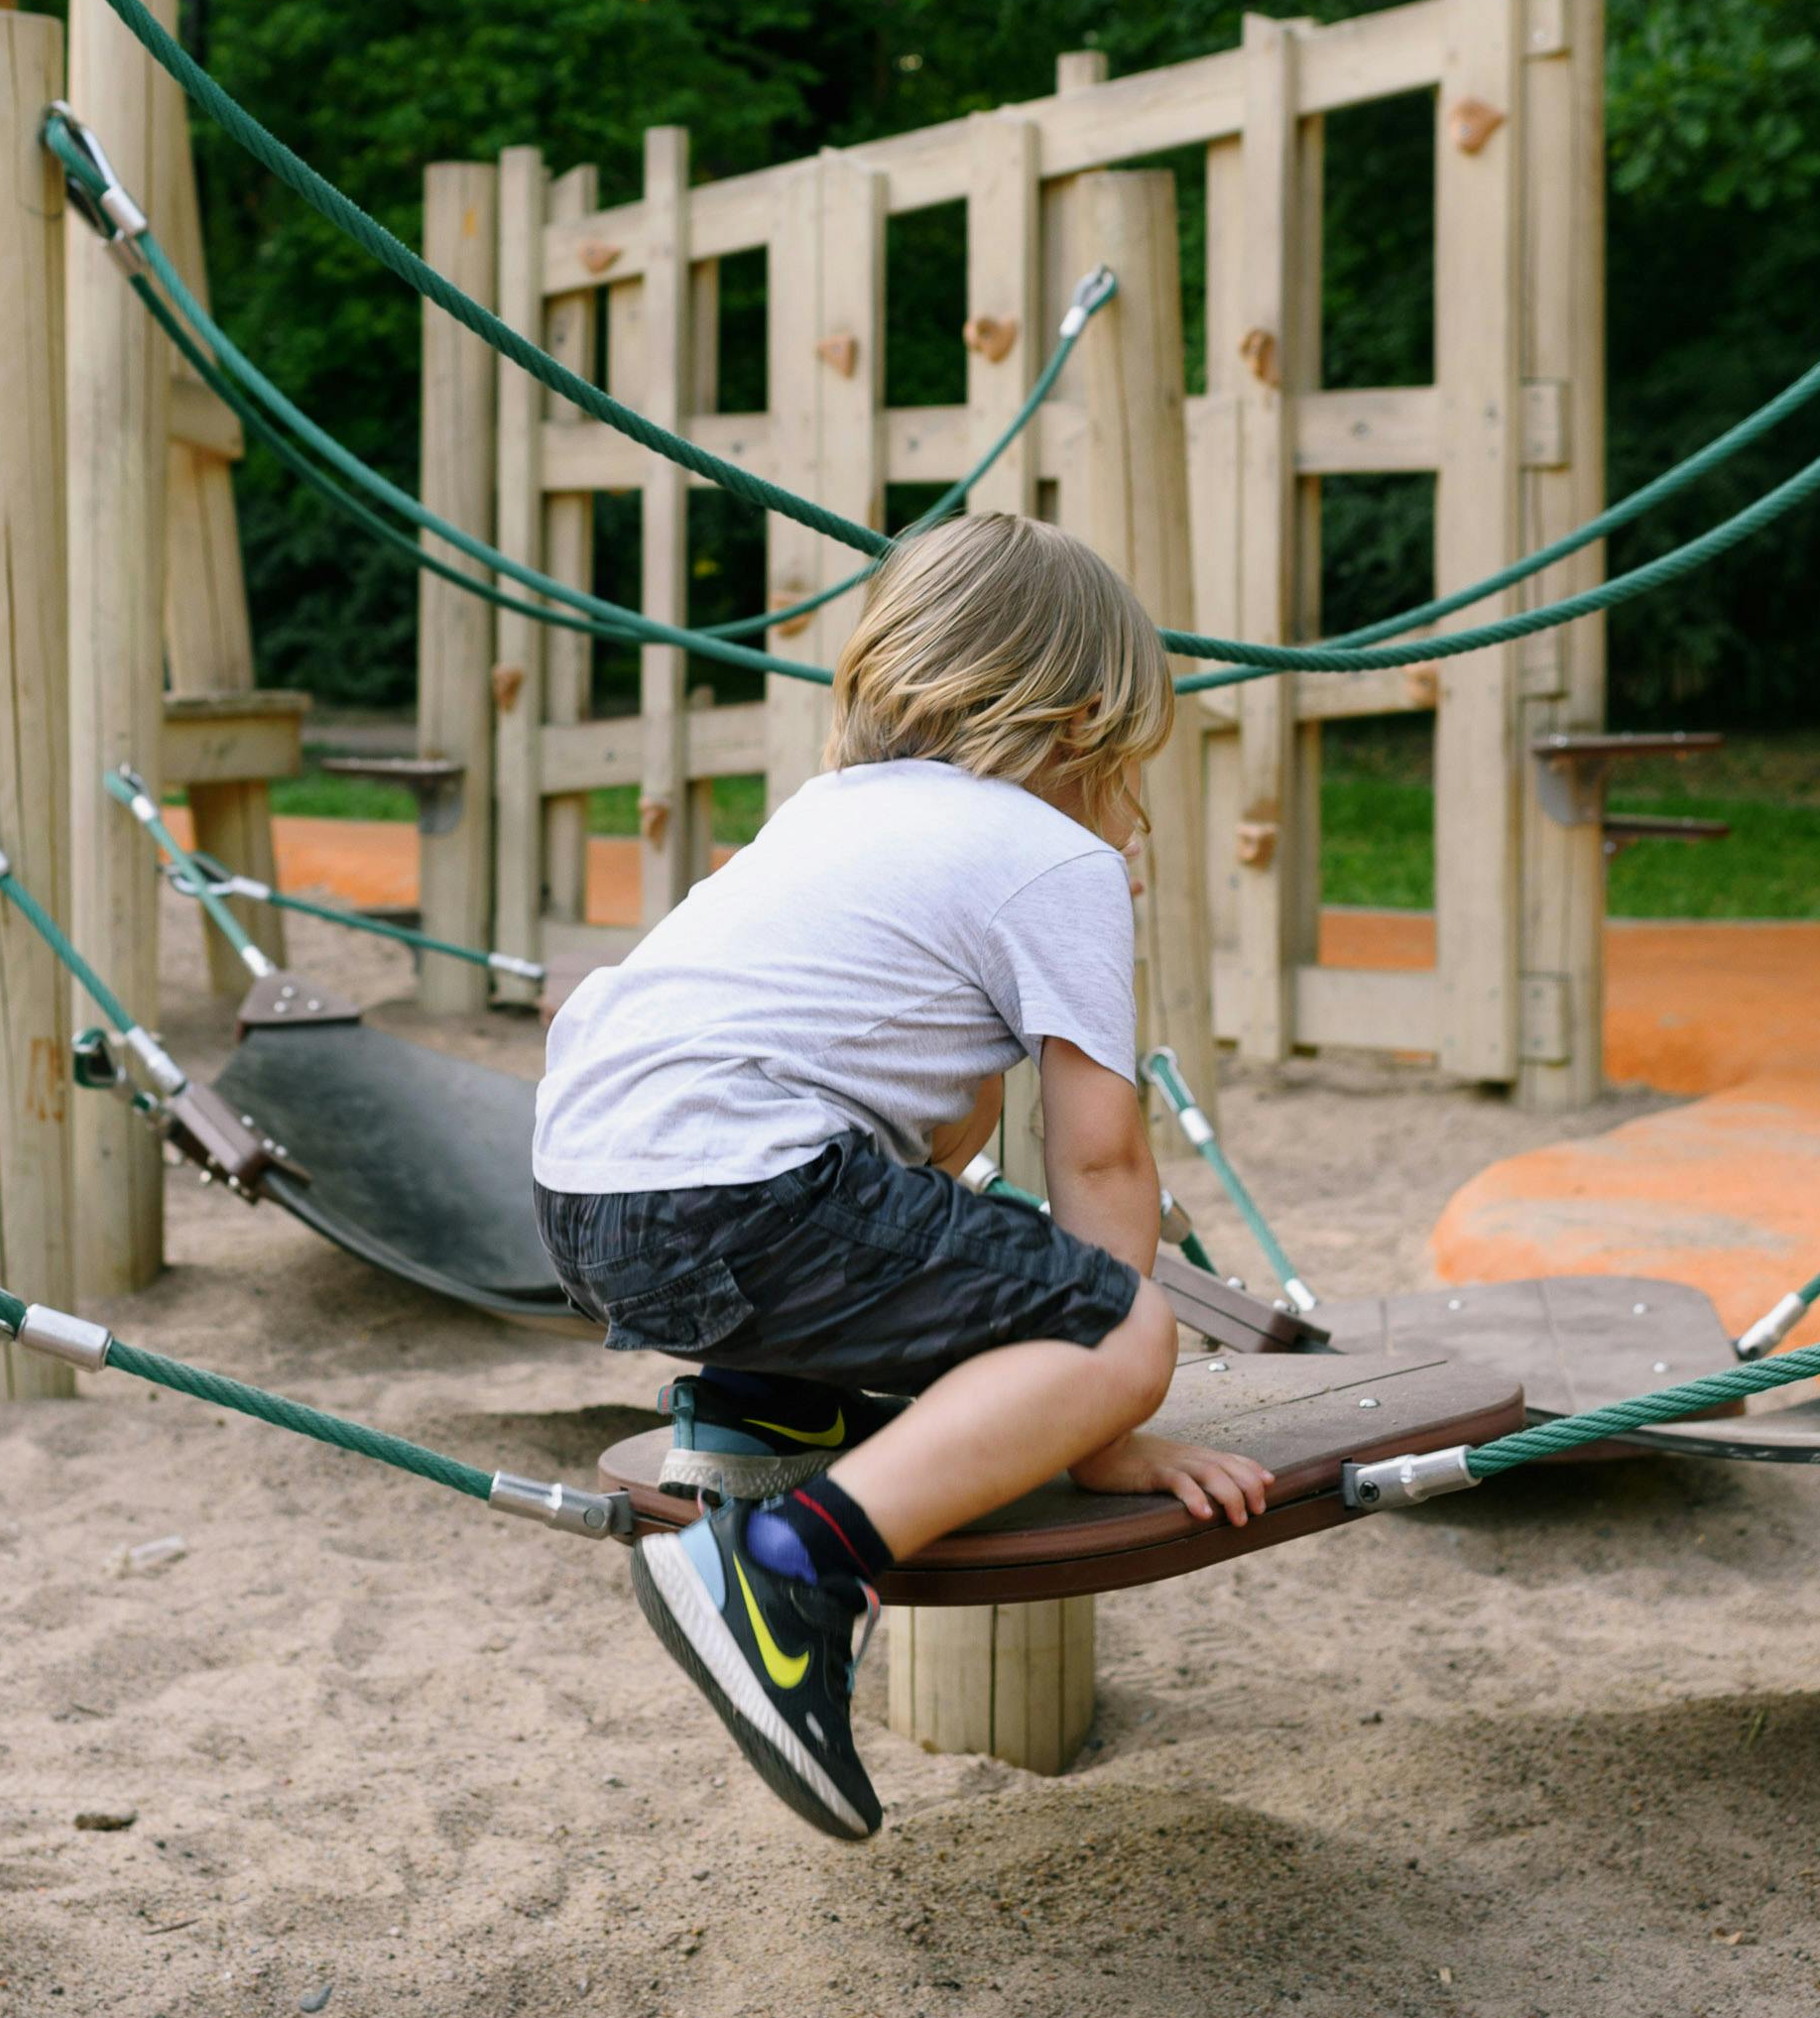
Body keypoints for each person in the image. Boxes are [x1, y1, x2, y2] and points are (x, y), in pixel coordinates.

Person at [532, 513, 1270, 1841]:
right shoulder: (1055, 857)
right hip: (743, 1191)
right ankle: (790, 1569)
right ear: (1090, 721)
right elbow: (1098, 1153)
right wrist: (1107, 1412)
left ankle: (762, 1417)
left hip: (587, 1193)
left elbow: (929, 1135)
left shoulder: (831, 820)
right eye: (1133, 762)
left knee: (907, 1208)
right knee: (1122, 1322)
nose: (1134, 800)